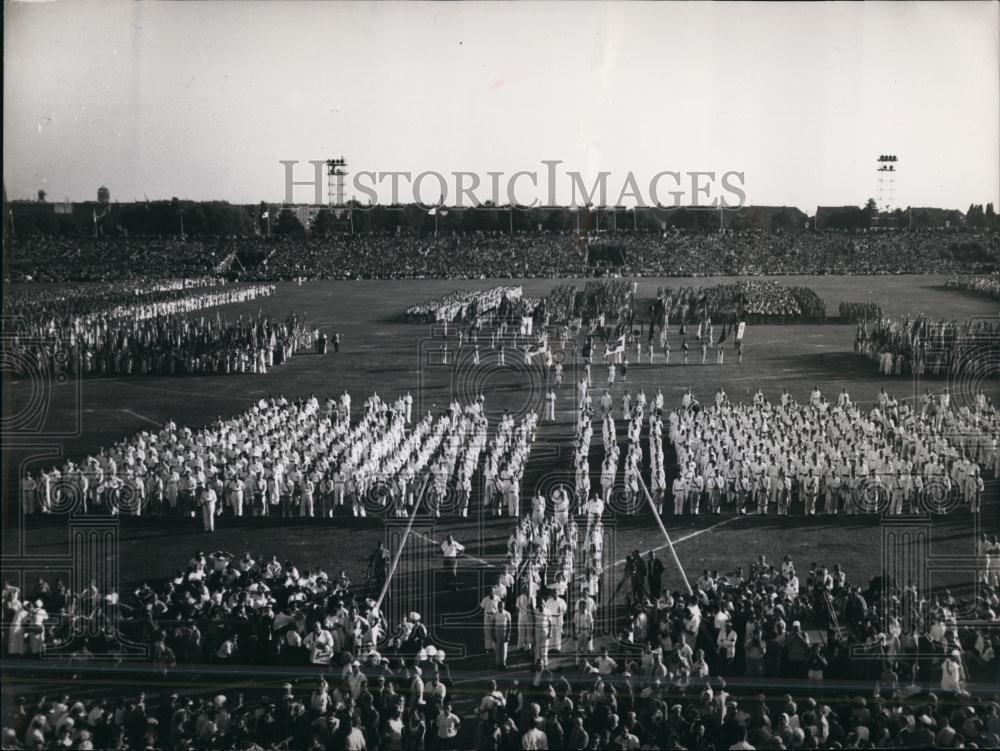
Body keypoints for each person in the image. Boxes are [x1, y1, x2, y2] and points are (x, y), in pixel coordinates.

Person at [494, 599, 511, 669]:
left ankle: (503, 664)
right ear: (497, 607)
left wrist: (508, 635)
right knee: (498, 648)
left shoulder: (507, 614)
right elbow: (492, 625)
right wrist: (493, 635)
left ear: (504, 606)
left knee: (504, 648)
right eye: (499, 606)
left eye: (502, 606)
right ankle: (498, 664)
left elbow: (509, 625)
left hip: (504, 631)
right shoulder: (495, 614)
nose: (500, 607)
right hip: (497, 631)